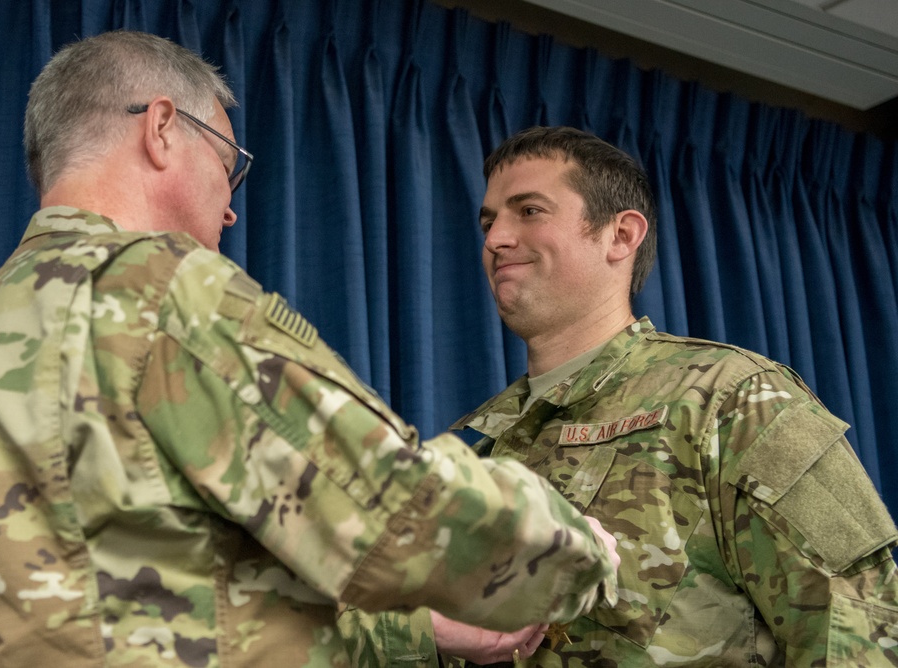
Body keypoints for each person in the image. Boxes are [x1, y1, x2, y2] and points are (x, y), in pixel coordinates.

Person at [0, 36, 621, 666]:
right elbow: (395, 505)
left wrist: (416, 629)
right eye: (228, 161)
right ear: (160, 129)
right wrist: (576, 549)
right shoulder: (156, 286)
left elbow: (152, 588)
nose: (232, 205)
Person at [349, 125, 898, 666]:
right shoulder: (468, 452)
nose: (495, 239)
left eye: (530, 211)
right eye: (489, 221)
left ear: (621, 235)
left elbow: (859, 633)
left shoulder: (731, 398)